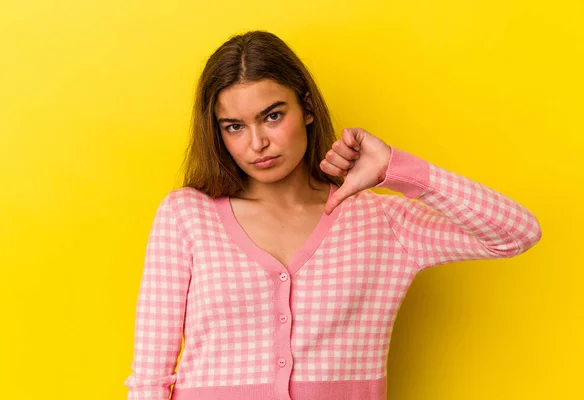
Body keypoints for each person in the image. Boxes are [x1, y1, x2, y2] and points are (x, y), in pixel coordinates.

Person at [124, 30, 542, 400]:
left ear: (306, 107)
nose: (258, 143)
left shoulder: (381, 220)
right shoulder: (187, 215)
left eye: (272, 116)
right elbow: (150, 376)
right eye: (234, 126)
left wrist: (397, 170)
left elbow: (516, 232)